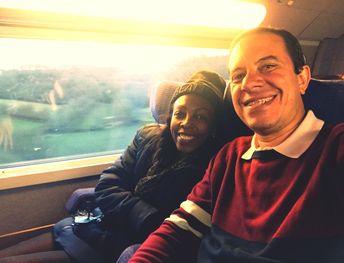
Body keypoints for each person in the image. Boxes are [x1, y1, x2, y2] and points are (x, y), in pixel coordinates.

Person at [128, 27, 344, 263]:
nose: (249, 83)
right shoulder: (229, 154)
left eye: (268, 66)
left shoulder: (338, 146)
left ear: (302, 78)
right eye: (238, 75)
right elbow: (181, 228)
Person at [0, 70, 227, 263]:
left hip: (120, 245)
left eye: (200, 117)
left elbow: (171, 228)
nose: (186, 123)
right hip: (95, 223)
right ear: (170, 116)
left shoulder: (217, 166)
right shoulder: (147, 136)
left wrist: (135, 213)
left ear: (214, 125)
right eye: (180, 113)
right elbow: (108, 184)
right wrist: (145, 215)